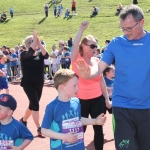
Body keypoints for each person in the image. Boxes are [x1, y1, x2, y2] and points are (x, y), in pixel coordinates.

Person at [76, 4, 150, 150]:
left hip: (147, 107)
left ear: (141, 22)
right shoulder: (116, 43)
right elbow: (100, 66)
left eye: (129, 28)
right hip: (122, 107)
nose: (126, 32)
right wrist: (88, 74)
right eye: (123, 28)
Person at [41, 69, 106, 150]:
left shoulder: (76, 101)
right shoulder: (52, 107)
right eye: (74, 85)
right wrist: (64, 137)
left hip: (78, 146)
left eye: (78, 85)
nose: (78, 88)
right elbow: (44, 130)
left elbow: (78, 120)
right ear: (62, 88)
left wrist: (95, 121)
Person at [71, 21, 111, 150]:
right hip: (81, 101)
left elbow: (101, 81)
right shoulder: (77, 59)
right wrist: (82, 29)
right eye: (92, 46)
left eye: (96, 46)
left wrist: (106, 99)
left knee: (98, 129)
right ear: (84, 46)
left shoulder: (96, 61)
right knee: (80, 129)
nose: (95, 48)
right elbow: (75, 44)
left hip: (97, 100)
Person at [20, 31, 49, 137]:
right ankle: (39, 128)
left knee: (32, 105)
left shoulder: (39, 55)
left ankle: (23, 120)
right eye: (31, 42)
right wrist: (34, 39)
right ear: (27, 44)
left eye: (35, 42)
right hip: (28, 84)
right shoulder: (24, 55)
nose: (34, 43)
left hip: (39, 83)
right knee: (36, 105)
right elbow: (30, 52)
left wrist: (39, 43)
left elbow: (46, 56)